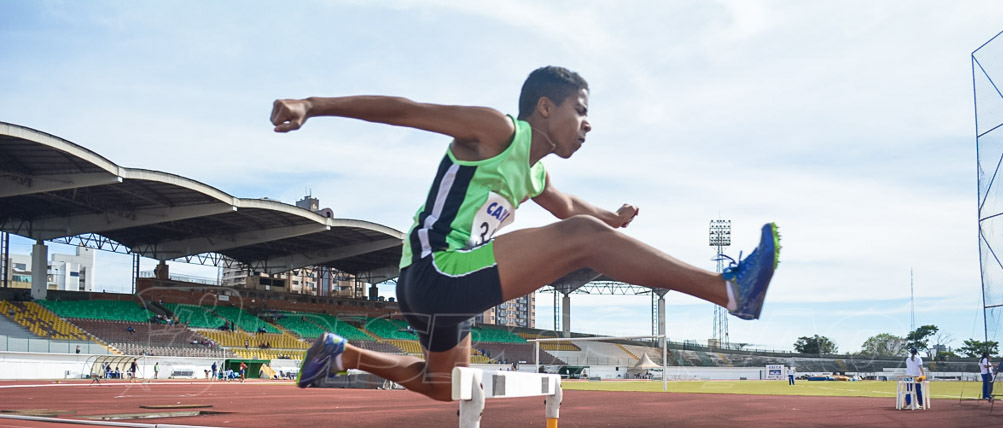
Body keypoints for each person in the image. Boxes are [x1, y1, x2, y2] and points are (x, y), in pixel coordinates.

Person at [275, 66, 780, 401]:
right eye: (580, 111)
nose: (587, 125)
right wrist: (311, 105)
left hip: (444, 288)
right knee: (581, 237)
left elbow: (567, 206)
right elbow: (404, 110)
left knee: (450, 387)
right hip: (436, 269)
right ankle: (728, 291)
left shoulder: (535, 175)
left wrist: (613, 219)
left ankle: (342, 353)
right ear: (544, 107)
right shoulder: (497, 131)